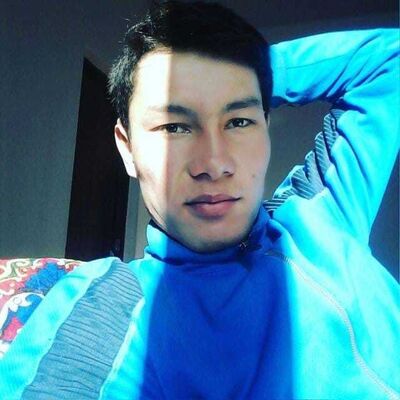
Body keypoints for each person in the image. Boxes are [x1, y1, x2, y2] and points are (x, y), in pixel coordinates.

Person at [0, 1, 399, 399]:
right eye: (175, 126)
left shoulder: (320, 210)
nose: (214, 164)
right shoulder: (111, 307)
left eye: (239, 121)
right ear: (127, 148)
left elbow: (389, 60)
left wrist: (245, 73)